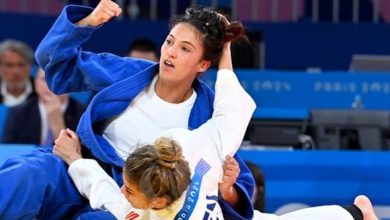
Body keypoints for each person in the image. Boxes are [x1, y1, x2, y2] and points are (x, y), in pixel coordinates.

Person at [0, 1, 255, 219]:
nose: (171, 53)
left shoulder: (208, 112)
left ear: (203, 64)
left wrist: (229, 190)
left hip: (135, 197)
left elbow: (238, 188)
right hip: (79, 161)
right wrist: (88, 22)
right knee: (25, 174)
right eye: (169, 41)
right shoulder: (129, 73)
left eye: (185, 49)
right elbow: (56, 63)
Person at [53, 48, 256, 218]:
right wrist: (225, 49)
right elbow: (231, 109)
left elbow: (106, 193)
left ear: (157, 203)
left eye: (130, 191)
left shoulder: (141, 215)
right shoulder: (201, 146)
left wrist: (74, 159)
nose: (121, 190)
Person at [2, 68, 85, 145]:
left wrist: (57, 123)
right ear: (36, 83)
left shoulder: (84, 114)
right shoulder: (18, 113)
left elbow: (81, 156)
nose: (51, 86)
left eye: (59, 79)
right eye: (44, 80)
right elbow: (7, 151)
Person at [0, 39, 36, 107]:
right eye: (9, 65)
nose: (16, 71)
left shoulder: (43, 92)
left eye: (21, 65)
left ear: (30, 66)